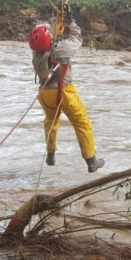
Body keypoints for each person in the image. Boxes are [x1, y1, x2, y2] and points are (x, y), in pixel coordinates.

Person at [28, 19, 105, 173]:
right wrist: (71, 23)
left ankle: (50, 154)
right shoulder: (61, 49)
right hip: (64, 92)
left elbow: (49, 41)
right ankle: (91, 160)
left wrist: (57, 24)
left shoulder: (36, 54)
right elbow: (76, 39)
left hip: (45, 94)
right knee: (82, 123)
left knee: (51, 120)